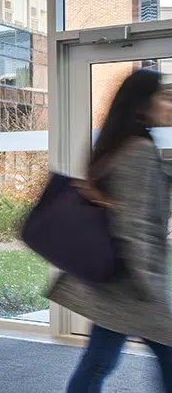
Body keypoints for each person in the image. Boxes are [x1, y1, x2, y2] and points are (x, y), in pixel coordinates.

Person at [48, 69, 172, 392]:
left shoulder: (129, 145)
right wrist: (150, 285)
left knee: (98, 362)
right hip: (133, 286)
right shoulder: (139, 151)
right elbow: (131, 225)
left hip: (119, 286)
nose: (169, 104)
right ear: (143, 104)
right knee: (111, 361)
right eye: (164, 97)